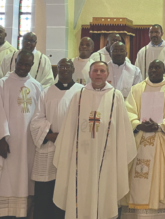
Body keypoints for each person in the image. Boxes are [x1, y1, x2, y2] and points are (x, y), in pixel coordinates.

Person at [53, 60, 136, 219]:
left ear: (107, 74)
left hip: (109, 157)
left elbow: (123, 130)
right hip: (81, 157)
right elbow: (69, 129)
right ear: (89, 74)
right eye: (95, 71)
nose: (98, 74)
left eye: (102, 71)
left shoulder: (116, 96)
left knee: (105, 190)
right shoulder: (79, 95)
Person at [122, 59, 165, 219]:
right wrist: (137, 124)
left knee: (160, 178)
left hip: (161, 140)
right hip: (139, 142)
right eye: (151, 68)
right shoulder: (137, 89)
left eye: (157, 67)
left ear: (164, 70)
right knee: (138, 178)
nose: (154, 70)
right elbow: (128, 111)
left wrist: (160, 125)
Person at [0, 50, 44, 219]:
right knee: (7, 175)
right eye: (20, 63)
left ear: (32, 65)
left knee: (26, 177)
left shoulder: (36, 85)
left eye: (27, 64)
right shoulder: (2, 84)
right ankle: (4, 213)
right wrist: (1, 138)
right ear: (15, 61)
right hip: (9, 139)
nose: (23, 67)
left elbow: (40, 114)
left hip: (29, 142)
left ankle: (24, 212)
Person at [29, 58, 83, 219]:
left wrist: (69, 137)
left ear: (73, 69)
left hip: (71, 148)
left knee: (68, 190)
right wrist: (50, 135)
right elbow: (36, 119)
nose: (64, 69)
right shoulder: (47, 92)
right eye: (61, 67)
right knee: (46, 192)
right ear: (57, 70)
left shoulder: (82, 91)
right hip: (49, 147)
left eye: (68, 66)